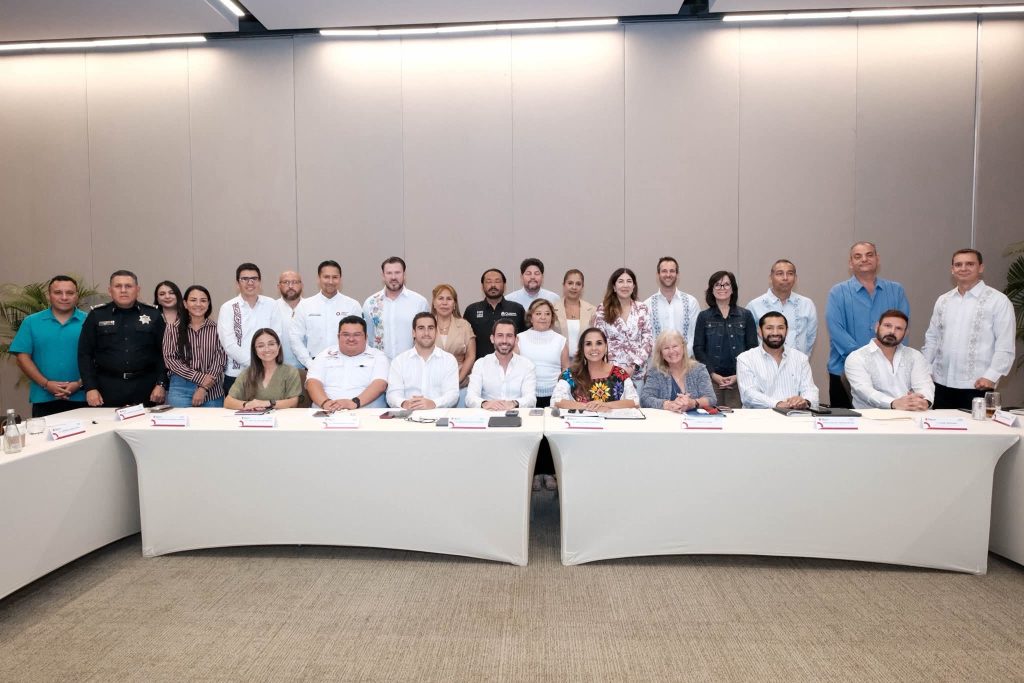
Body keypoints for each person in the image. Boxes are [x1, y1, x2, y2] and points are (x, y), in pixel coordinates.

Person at [922, 248, 1016, 409]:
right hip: (940, 384)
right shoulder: (943, 300)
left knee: (977, 426)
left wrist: (991, 376)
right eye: (958, 264)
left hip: (978, 385)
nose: (963, 268)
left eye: (970, 264)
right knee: (939, 425)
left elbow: (1005, 344)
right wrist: (925, 370)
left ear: (981, 268)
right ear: (952, 269)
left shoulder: (998, 301)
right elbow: (932, 338)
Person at [826, 242, 910, 408]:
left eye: (869, 255)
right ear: (850, 263)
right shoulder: (838, 292)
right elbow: (836, 330)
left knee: (891, 419)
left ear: (877, 259)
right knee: (845, 421)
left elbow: (902, 328)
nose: (864, 259)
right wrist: (866, 360)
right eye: (858, 256)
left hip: (889, 373)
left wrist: (886, 361)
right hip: (843, 371)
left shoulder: (896, 290)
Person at [78, 270, 167, 407]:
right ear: (110, 291)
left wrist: (161, 384)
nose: (123, 290)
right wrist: (90, 387)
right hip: (107, 387)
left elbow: (164, 353)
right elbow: (85, 354)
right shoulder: (97, 315)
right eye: (118, 286)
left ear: (137, 290)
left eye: (128, 286)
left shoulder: (153, 314)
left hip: (145, 387)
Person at [10, 275, 88, 417]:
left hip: (84, 397)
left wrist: (79, 384)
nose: (64, 297)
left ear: (76, 295)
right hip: (44, 398)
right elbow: (22, 358)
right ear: (49, 295)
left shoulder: (90, 320)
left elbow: (101, 357)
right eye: (58, 292)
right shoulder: (31, 322)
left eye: (70, 293)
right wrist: (46, 384)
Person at [692, 270, 757, 408]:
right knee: (712, 416)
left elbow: (752, 348)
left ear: (733, 289)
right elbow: (698, 348)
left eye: (726, 284)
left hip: (739, 379)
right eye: (717, 285)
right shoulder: (704, 317)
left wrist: (738, 375)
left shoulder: (746, 315)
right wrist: (712, 374)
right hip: (711, 380)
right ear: (711, 290)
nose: (722, 288)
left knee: (736, 418)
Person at [217, 263, 285, 394]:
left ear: (260, 282)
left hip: (268, 373)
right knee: (235, 407)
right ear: (237, 283)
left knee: (270, 407)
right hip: (236, 374)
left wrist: (264, 364)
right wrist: (257, 364)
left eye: (254, 278)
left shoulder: (271, 304)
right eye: (245, 279)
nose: (250, 282)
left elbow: (277, 337)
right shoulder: (228, 308)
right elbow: (229, 344)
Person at [846, 310, 934, 410]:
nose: (892, 332)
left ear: (905, 333)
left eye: (898, 328)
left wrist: (924, 402)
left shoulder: (915, 356)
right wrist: (893, 403)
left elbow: (924, 385)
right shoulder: (857, 358)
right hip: (872, 416)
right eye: (887, 326)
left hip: (911, 413)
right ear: (877, 327)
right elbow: (865, 391)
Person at [736, 312, 819, 410]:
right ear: (760, 331)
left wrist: (805, 401)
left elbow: (810, 390)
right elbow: (748, 395)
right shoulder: (745, 359)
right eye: (769, 328)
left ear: (787, 331)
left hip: (793, 416)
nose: (775, 333)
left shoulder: (800, 358)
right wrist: (778, 404)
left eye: (780, 328)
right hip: (759, 417)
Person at [305, 316, 389, 411]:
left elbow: (380, 384)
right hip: (325, 411)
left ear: (366, 337)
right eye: (346, 335)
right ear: (338, 337)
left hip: (365, 413)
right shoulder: (324, 355)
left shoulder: (378, 356)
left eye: (357, 335)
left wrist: (354, 403)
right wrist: (326, 403)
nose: (351, 339)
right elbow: (312, 382)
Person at [162, 285, 227, 408]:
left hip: (212, 390)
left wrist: (204, 387)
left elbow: (220, 360)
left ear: (208, 304)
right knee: (180, 421)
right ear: (185, 304)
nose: (198, 304)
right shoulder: (172, 329)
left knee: (212, 421)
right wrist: (200, 378)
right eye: (193, 300)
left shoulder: (218, 329)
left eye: (203, 300)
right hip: (181, 389)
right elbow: (170, 360)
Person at [289, 260, 361, 369]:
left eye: (335, 277)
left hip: (346, 365)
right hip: (313, 364)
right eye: (326, 277)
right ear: (319, 278)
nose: (330, 281)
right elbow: (295, 338)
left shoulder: (352, 305)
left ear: (340, 279)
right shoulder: (305, 306)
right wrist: (309, 363)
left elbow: (359, 337)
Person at [551, 327, 640, 410]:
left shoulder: (619, 373)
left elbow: (634, 402)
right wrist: (588, 407)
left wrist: (605, 405)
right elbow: (556, 401)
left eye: (599, 343)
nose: (594, 348)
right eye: (588, 344)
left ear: (606, 347)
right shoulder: (570, 374)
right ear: (582, 349)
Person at [590, 267, 653, 384]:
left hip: (637, 373)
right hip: (610, 373)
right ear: (614, 287)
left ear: (633, 286)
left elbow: (648, 341)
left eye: (629, 281)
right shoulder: (603, 309)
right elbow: (598, 341)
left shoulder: (642, 308)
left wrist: (634, 366)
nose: (625, 285)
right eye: (620, 281)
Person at [386, 312, 459, 409]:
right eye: (421, 328)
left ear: (436, 332)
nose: (426, 333)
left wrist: (433, 403)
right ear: (413, 333)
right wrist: (404, 403)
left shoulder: (449, 360)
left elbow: (452, 394)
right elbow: (392, 394)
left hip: (438, 414)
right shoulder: (399, 361)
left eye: (430, 328)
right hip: (407, 414)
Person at [746, 259, 818, 356]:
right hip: (763, 363)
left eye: (790, 274)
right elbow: (749, 340)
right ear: (770, 278)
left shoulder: (807, 304)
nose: (785, 278)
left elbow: (810, 338)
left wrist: (801, 359)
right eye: (780, 274)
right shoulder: (754, 306)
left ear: (795, 278)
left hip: (798, 362)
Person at [363, 256, 429, 360]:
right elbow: (367, 339)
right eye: (389, 273)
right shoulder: (370, 303)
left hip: (411, 363)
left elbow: (426, 337)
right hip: (379, 364)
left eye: (397, 272)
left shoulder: (419, 302)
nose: (393, 277)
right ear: (383, 276)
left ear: (404, 274)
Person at [223, 328, 302, 410]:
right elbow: (228, 402)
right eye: (261, 346)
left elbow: (294, 402)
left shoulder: (290, 371)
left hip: (281, 417)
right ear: (255, 350)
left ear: (278, 346)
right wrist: (249, 405)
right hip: (253, 417)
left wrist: (267, 403)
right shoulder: (247, 373)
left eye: (271, 344)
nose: (267, 349)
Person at [466, 320, 537, 410]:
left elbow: (531, 399)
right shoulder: (480, 364)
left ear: (516, 340)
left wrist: (513, 403)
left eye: (509, 336)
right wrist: (486, 403)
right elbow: (470, 398)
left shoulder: (527, 365)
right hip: (488, 413)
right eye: (500, 335)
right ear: (492, 338)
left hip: (516, 414)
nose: (504, 340)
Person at [640, 330, 717, 412]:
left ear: (683, 347)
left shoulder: (699, 369)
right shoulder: (655, 372)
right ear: (661, 353)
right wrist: (669, 404)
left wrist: (693, 403)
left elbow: (711, 399)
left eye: (675, 346)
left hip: (695, 419)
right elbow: (645, 399)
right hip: (666, 419)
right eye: (666, 348)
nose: (671, 351)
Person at [515, 299, 569, 408]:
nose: (543, 317)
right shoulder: (519, 339)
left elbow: (566, 370)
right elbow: (514, 368)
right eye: (538, 313)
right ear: (531, 317)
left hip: (554, 397)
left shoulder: (560, 340)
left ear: (552, 318)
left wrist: (560, 392)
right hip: (526, 396)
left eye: (547, 314)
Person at [464, 268, 527, 359]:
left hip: (511, 364)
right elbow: (465, 342)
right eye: (488, 282)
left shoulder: (517, 309)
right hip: (480, 365)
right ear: (482, 286)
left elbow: (525, 339)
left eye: (497, 281)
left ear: (504, 285)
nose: (493, 285)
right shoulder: (471, 310)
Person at [431, 284, 476, 407]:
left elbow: (471, 356)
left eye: (449, 299)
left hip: (460, 384)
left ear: (454, 304)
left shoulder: (464, 325)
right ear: (434, 303)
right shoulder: (427, 325)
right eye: (440, 298)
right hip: (432, 385)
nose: (444, 303)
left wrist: (458, 380)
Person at [645, 257, 700, 354]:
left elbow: (696, 334)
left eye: (672, 271)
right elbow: (647, 338)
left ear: (677, 274)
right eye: (664, 271)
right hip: (657, 361)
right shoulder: (647, 305)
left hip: (686, 360)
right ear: (658, 274)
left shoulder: (691, 302)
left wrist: (683, 355)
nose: (668, 275)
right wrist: (662, 356)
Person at [552, 269, 596, 361]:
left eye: (578, 284)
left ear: (582, 287)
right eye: (570, 283)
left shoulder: (592, 310)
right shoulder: (552, 309)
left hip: (584, 361)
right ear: (564, 285)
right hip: (557, 361)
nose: (574, 287)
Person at [275, 270, 304, 368]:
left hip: (307, 368)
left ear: (301, 285)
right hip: (279, 368)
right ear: (279, 286)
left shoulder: (311, 307)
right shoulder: (272, 308)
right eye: (286, 282)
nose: (291, 286)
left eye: (295, 282)